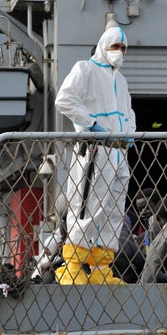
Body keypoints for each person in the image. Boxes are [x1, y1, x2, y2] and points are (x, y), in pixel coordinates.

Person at [53, 23, 137, 285]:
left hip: (118, 153)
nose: (119, 52)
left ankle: (102, 269)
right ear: (104, 46)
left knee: (113, 209)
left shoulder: (121, 80)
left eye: (123, 48)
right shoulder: (85, 69)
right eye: (115, 46)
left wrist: (130, 133)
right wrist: (91, 124)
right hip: (94, 151)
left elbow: (128, 112)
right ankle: (73, 266)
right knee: (85, 208)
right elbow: (64, 100)